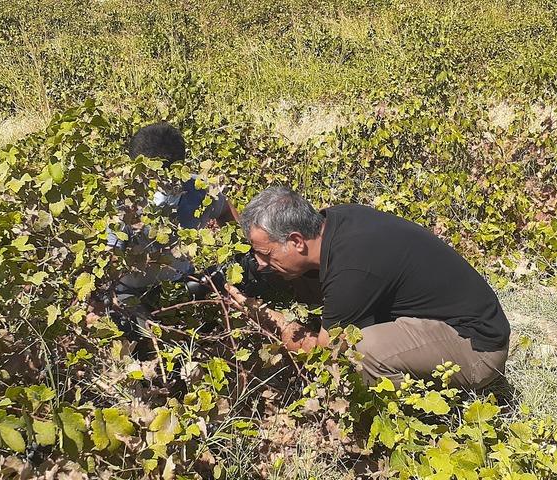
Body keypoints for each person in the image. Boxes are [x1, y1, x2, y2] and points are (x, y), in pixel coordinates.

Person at [226, 186, 510, 390]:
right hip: (449, 318)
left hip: (477, 349)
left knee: (356, 353)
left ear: (297, 241)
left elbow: (322, 354)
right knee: (304, 279)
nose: (260, 263)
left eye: (266, 254)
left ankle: (407, 412)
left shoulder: (352, 269)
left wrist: (265, 315)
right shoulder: (335, 221)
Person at [103, 122, 238, 338]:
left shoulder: (199, 190)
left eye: (170, 180)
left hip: (179, 285)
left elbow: (226, 212)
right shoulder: (122, 201)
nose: (162, 187)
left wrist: (237, 256)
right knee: (137, 334)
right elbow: (107, 268)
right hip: (130, 292)